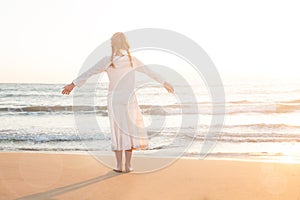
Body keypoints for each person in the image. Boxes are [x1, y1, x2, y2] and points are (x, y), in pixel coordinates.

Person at [62, 32, 174, 173]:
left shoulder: (107, 60)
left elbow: (89, 72)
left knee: (117, 131)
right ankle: (128, 165)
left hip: (115, 99)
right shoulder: (132, 60)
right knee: (128, 131)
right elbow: (149, 71)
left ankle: (119, 165)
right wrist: (164, 82)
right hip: (129, 99)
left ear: (112, 45)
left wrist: (72, 84)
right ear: (126, 44)